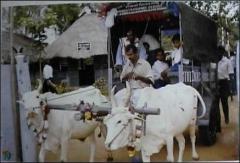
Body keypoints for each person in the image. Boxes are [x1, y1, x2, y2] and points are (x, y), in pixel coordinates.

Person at [216, 46, 234, 130]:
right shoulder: (214, 61)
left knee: (224, 103)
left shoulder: (227, 61)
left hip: (224, 83)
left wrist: (230, 89)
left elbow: (230, 75)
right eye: (217, 52)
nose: (218, 54)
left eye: (220, 52)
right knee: (215, 104)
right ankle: (218, 123)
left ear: (222, 53)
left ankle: (226, 117)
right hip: (215, 83)